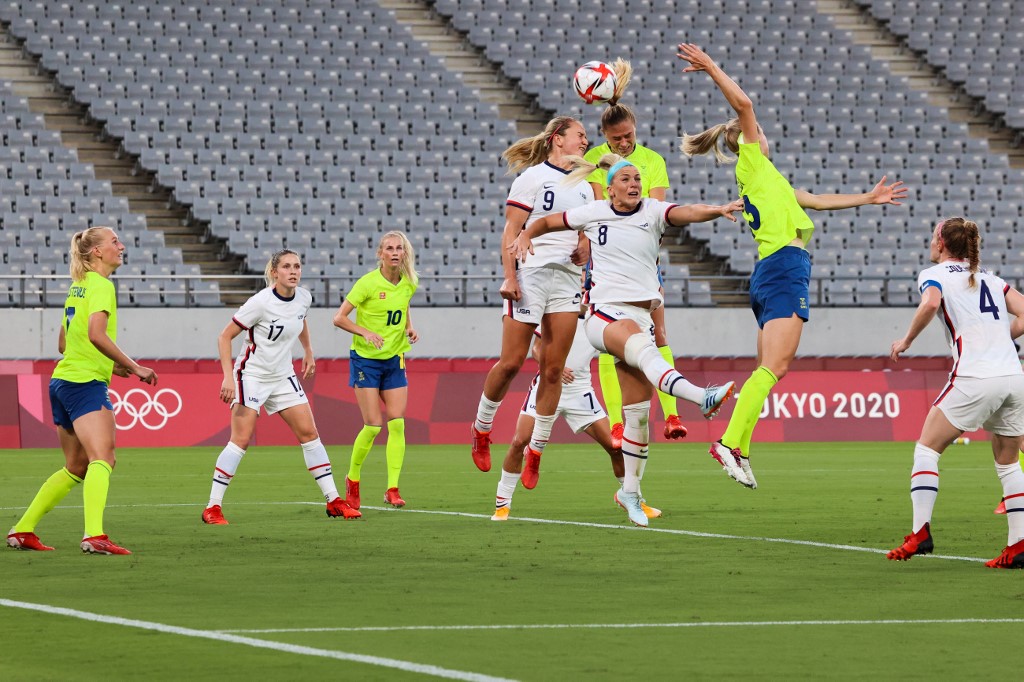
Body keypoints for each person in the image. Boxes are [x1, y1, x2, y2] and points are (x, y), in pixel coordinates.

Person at [677, 42, 909, 489]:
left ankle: (739, 447)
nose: (761, 133)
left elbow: (816, 200)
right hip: (784, 267)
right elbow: (744, 105)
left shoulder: (769, 180)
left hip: (770, 271)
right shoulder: (752, 161)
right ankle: (727, 443)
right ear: (748, 140)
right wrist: (711, 66)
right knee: (776, 368)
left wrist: (868, 197)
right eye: (757, 131)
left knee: (766, 369)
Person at [509, 153, 741, 526]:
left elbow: (687, 212)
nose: (634, 184)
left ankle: (629, 494)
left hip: (640, 316)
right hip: (604, 314)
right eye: (626, 179)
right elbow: (550, 220)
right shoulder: (595, 211)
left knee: (638, 418)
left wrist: (717, 209)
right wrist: (525, 234)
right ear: (611, 188)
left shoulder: (653, 211)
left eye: (637, 179)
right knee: (644, 351)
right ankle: (702, 396)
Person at [6, 226, 157, 555]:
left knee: (76, 466)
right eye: (115, 241)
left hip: (62, 382)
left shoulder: (78, 286)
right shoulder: (101, 285)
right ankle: (94, 535)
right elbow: (96, 335)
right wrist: (134, 366)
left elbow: (64, 343)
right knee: (104, 458)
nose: (122, 246)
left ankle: (23, 529)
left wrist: (111, 367)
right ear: (98, 252)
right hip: (84, 384)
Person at [887, 218, 1024, 568]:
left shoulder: (933, 275)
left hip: (975, 376)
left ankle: (919, 533)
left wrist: (906, 340)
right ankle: (1018, 545)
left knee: (926, 449)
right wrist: (1000, 338)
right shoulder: (992, 279)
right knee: (1008, 463)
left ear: (941, 243)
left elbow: (931, 304)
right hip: (1013, 377)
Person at [470, 115, 594, 482]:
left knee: (553, 370)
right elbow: (511, 230)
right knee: (511, 362)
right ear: (558, 138)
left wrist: (584, 245)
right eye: (580, 135)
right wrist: (510, 276)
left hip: (567, 279)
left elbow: (586, 230)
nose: (585, 141)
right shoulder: (532, 178)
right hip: (532, 274)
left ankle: (536, 450)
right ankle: (482, 427)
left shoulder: (585, 186)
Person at [202, 249, 359, 524]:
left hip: (282, 375)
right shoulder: (260, 303)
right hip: (251, 375)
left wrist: (308, 350)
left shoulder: (304, 297)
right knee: (240, 440)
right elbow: (224, 337)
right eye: (287, 266)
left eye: (297, 266)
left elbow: (300, 320)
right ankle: (212, 507)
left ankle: (334, 500)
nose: (293, 271)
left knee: (310, 434)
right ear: (275, 272)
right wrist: (228, 377)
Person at [583, 59, 686, 446]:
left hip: (644, 261)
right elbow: (599, 208)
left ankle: (672, 416)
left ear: (635, 130)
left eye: (628, 136)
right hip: (606, 265)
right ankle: (616, 422)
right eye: (616, 139)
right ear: (605, 137)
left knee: (658, 334)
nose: (623, 144)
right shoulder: (594, 160)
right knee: (610, 341)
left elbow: (656, 212)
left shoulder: (653, 161)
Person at [492, 310, 662, 524]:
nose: (582, 293)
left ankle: (634, 499)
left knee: (615, 447)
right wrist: (555, 366)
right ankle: (502, 505)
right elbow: (536, 348)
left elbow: (615, 349)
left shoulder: (597, 321)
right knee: (520, 441)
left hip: (580, 391)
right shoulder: (556, 313)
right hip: (548, 386)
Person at [333, 231, 419, 509]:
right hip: (366, 360)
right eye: (389, 248)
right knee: (372, 426)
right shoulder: (367, 283)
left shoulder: (409, 281)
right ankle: (353, 479)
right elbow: (339, 318)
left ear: (404, 253)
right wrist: (365, 332)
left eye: (399, 248)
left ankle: (392, 488)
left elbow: (403, 305)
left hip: (394, 359)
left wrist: (409, 327)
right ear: (380, 253)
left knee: (397, 423)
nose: (395, 253)